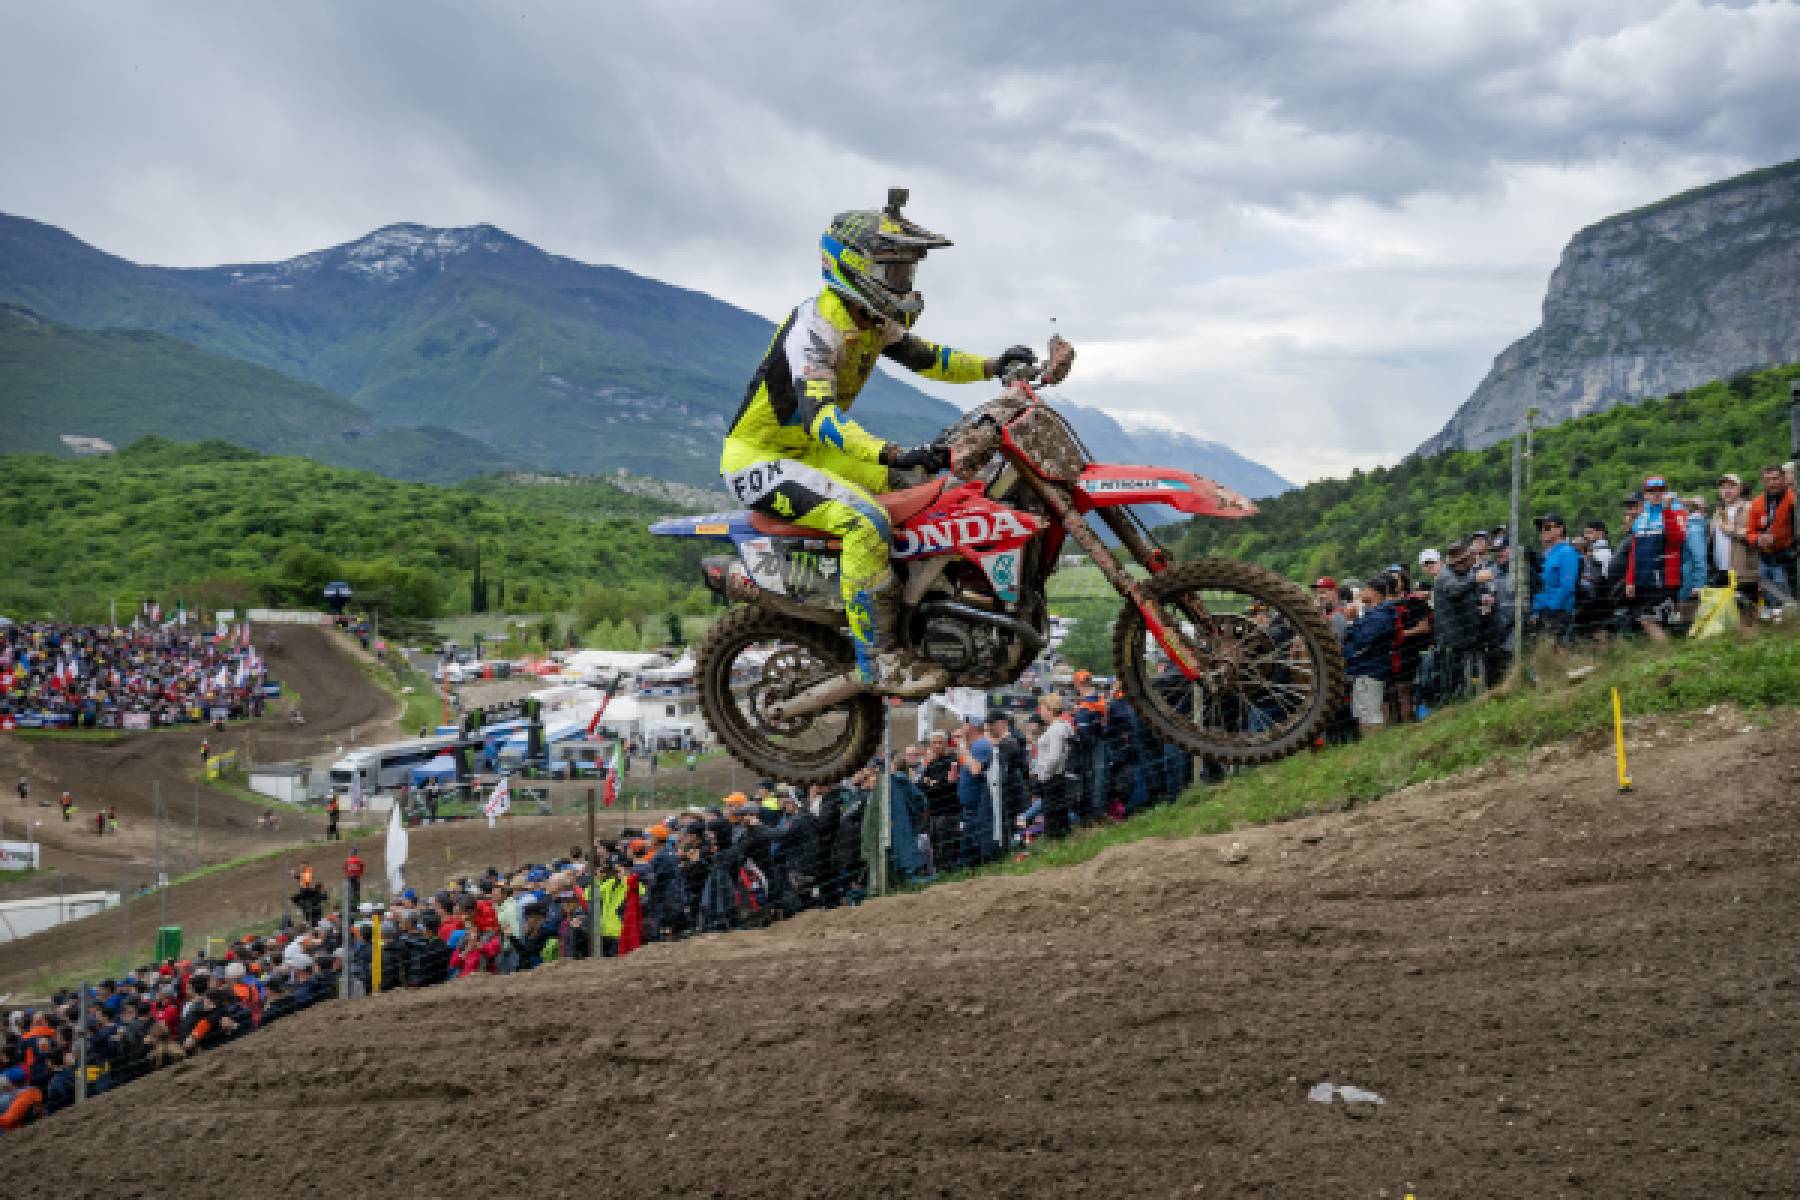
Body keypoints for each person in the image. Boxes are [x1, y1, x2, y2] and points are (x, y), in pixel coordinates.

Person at [718, 190, 1034, 694]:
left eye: (906, 272)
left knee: (929, 486)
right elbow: (823, 419)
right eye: (894, 271)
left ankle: (929, 612)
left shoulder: (870, 320)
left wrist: (995, 366)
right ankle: (878, 659)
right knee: (864, 522)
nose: (903, 283)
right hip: (761, 459)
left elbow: (930, 359)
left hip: (814, 454)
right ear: (855, 267)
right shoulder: (817, 330)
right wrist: (890, 452)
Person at [1622, 475, 1687, 637]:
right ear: (1645, 495)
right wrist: (1630, 581)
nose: (1657, 494)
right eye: (1652, 491)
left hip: (1665, 579)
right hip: (1643, 580)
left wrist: (1667, 511)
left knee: (1650, 621)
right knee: (1651, 622)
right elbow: (1634, 553)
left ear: (1666, 492)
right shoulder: (1640, 518)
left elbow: (1677, 539)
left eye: (1660, 491)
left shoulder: (1676, 511)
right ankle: (1669, 651)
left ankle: (1666, 651)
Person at [1341, 578, 1397, 731]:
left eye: (1365, 589)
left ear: (1374, 592)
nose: (1361, 593)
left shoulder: (1380, 616)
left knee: (1372, 714)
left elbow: (1362, 640)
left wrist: (1352, 621)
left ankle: (1377, 741)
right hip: (1362, 669)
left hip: (1371, 669)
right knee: (1362, 714)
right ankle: (1369, 743)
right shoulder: (1370, 614)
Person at [1747, 464, 1795, 610]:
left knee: (1786, 601)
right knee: (1768, 599)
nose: (1772, 483)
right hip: (1764, 559)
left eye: (1775, 479)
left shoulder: (1793, 500)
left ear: (1783, 478)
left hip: (1786, 560)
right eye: (1768, 480)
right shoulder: (1757, 503)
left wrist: (1779, 539)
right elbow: (1750, 532)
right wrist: (1758, 539)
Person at [1531, 514, 1580, 639]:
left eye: (1547, 527)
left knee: (1556, 647)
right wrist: (1536, 610)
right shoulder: (1548, 554)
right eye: (1540, 528)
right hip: (1542, 610)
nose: (1543, 531)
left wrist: (1552, 608)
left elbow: (1567, 586)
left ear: (1560, 530)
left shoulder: (1567, 552)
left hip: (1558, 612)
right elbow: (1542, 584)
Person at [1712, 473, 1756, 599]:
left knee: (1744, 608)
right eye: (1723, 487)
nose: (1727, 491)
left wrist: (1734, 530)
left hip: (1742, 572)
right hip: (1721, 570)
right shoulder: (1719, 511)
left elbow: (1757, 535)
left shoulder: (1750, 507)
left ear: (1740, 488)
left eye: (1731, 486)